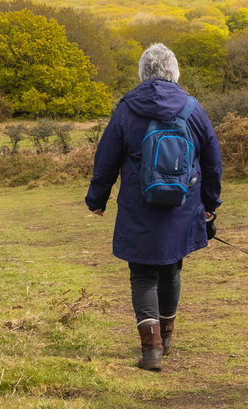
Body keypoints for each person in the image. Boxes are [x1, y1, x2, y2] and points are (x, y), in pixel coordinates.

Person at [86, 43, 222, 371]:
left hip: (138, 206)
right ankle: (168, 336)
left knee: (142, 274)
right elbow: (212, 159)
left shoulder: (126, 109)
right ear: (174, 72)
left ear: (142, 73)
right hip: (183, 206)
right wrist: (210, 202)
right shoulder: (192, 108)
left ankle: (152, 352)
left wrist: (97, 199)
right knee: (172, 268)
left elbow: (106, 158)